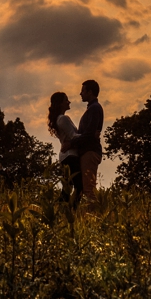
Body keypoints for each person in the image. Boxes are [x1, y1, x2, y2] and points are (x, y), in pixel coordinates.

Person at [67, 79, 103, 208]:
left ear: (90, 92)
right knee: (86, 186)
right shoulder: (92, 108)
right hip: (88, 151)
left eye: (83, 90)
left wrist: (72, 143)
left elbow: (89, 133)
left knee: (89, 188)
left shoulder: (94, 108)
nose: (80, 93)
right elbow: (90, 133)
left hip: (90, 151)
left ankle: (94, 215)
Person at [47, 91, 83, 206]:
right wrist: (89, 135)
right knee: (79, 186)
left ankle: (59, 208)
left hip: (66, 156)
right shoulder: (63, 119)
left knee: (67, 187)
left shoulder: (58, 119)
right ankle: (71, 209)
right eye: (66, 100)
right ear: (60, 104)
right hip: (70, 156)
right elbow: (74, 136)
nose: (69, 102)